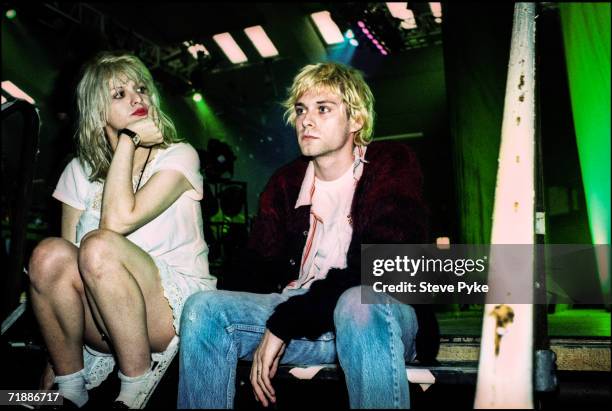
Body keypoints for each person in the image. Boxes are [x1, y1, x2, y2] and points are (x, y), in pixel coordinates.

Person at [177, 62, 439, 409]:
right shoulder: (286, 182)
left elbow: (381, 267)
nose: (306, 120)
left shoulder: (392, 164)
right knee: (204, 308)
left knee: (357, 303)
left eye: (323, 109)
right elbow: (254, 266)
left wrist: (286, 321)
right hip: (304, 319)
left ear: (356, 119)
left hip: (377, 318)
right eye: (301, 110)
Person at [28, 51, 216, 408]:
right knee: (48, 253)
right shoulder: (79, 171)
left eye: (141, 88)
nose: (137, 97)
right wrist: (55, 358)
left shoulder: (179, 155)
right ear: (98, 112)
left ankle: (135, 385)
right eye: (119, 94)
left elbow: (117, 223)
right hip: (99, 322)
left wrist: (128, 140)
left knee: (99, 245)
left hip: (168, 314)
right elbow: (62, 273)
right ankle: (70, 388)